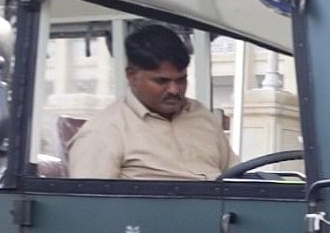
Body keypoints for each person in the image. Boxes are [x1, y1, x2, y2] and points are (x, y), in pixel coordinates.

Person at [68, 24, 236, 180]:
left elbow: (235, 175)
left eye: (181, 80)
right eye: (161, 81)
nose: (174, 90)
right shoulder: (103, 132)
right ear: (131, 76)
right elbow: (89, 207)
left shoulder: (200, 115)